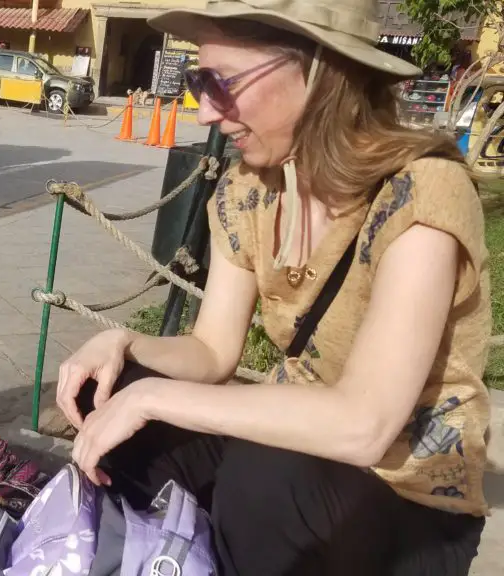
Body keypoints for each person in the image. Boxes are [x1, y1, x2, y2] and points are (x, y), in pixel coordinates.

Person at [54, 0, 491, 574]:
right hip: (298, 457)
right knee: (111, 399)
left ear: (318, 72)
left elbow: (365, 426)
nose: (205, 111)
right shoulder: (249, 188)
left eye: (221, 82)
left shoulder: (420, 192)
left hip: (406, 497)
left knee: (263, 474)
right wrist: (124, 348)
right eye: (195, 81)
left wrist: (154, 398)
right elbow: (212, 351)